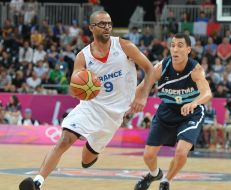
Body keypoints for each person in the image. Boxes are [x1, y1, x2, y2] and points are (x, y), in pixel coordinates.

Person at [19, 10, 154, 190]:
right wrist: (78, 87)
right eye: (102, 24)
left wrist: (143, 94)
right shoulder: (83, 57)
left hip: (113, 117)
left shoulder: (124, 46)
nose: (107, 27)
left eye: (109, 23)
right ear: (91, 28)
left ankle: (91, 148)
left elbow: (150, 69)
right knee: (65, 139)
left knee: (86, 160)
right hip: (91, 108)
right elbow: (74, 86)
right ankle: (37, 182)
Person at [134, 33, 212, 190]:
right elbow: (143, 86)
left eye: (180, 46)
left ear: (188, 49)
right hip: (167, 110)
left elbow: (207, 93)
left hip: (191, 113)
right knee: (148, 156)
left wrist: (194, 102)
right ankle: (154, 174)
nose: (175, 49)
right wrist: (134, 100)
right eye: (172, 45)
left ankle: (167, 180)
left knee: (181, 152)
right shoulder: (161, 68)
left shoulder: (195, 70)